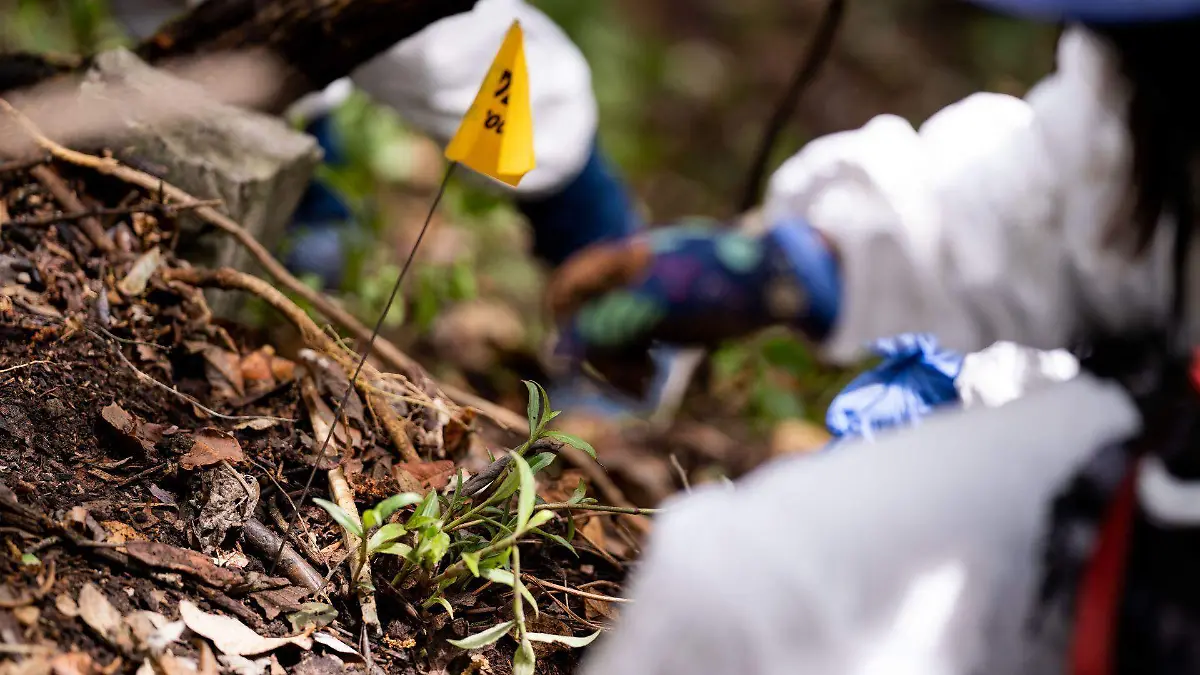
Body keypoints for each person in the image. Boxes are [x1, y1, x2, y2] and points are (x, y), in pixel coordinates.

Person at [543, 1, 1200, 672]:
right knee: (741, 581)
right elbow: (1095, 189)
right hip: (1153, 446)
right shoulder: (1155, 89)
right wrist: (804, 262)